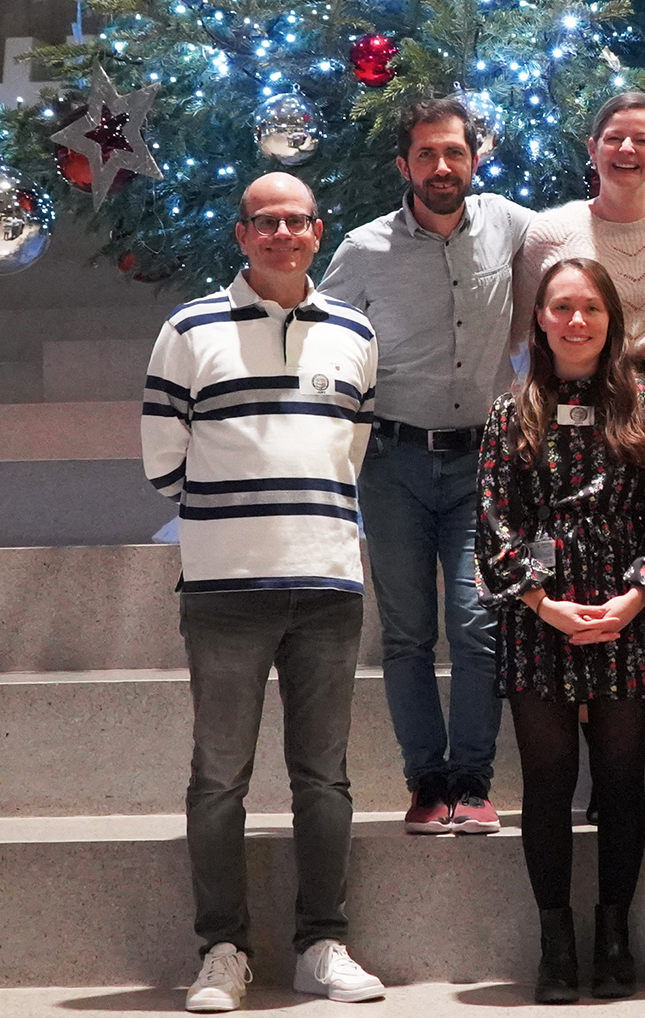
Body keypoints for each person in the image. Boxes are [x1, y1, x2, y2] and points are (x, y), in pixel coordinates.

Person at [142, 172, 386, 1012]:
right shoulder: (188, 328)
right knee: (219, 778)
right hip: (223, 589)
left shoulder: (355, 331)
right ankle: (221, 949)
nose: (282, 233)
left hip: (326, 584)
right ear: (241, 235)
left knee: (325, 777)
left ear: (319, 232)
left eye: (297, 220)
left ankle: (323, 942)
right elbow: (162, 459)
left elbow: (348, 453)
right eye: (265, 221)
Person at [322, 97, 535, 836]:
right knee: (408, 633)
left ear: (475, 157)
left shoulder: (510, 224)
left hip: (482, 460)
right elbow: (321, 340)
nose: (441, 167)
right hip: (392, 463)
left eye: (454, 152)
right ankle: (426, 781)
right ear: (403, 165)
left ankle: (473, 780)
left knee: (477, 625)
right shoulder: (363, 247)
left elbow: (582, 232)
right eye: (425, 155)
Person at [518, 91, 645, 824]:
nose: (627, 151)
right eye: (613, 137)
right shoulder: (552, 232)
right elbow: (533, 325)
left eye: (641, 139)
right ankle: (603, 767)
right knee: (596, 576)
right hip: (583, 424)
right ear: (591, 147)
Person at [476, 257, 645, 1004]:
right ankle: (555, 940)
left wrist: (635, 597)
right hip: (541, 617)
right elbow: (495, 526)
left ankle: (614, 932)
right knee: (549, 781)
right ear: (540, 319)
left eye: (589, 308)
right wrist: (542, 602)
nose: (576, 321)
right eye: (561, 307)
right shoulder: (510, 412)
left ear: (609, 318)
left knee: (623, 781)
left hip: (626, 608)